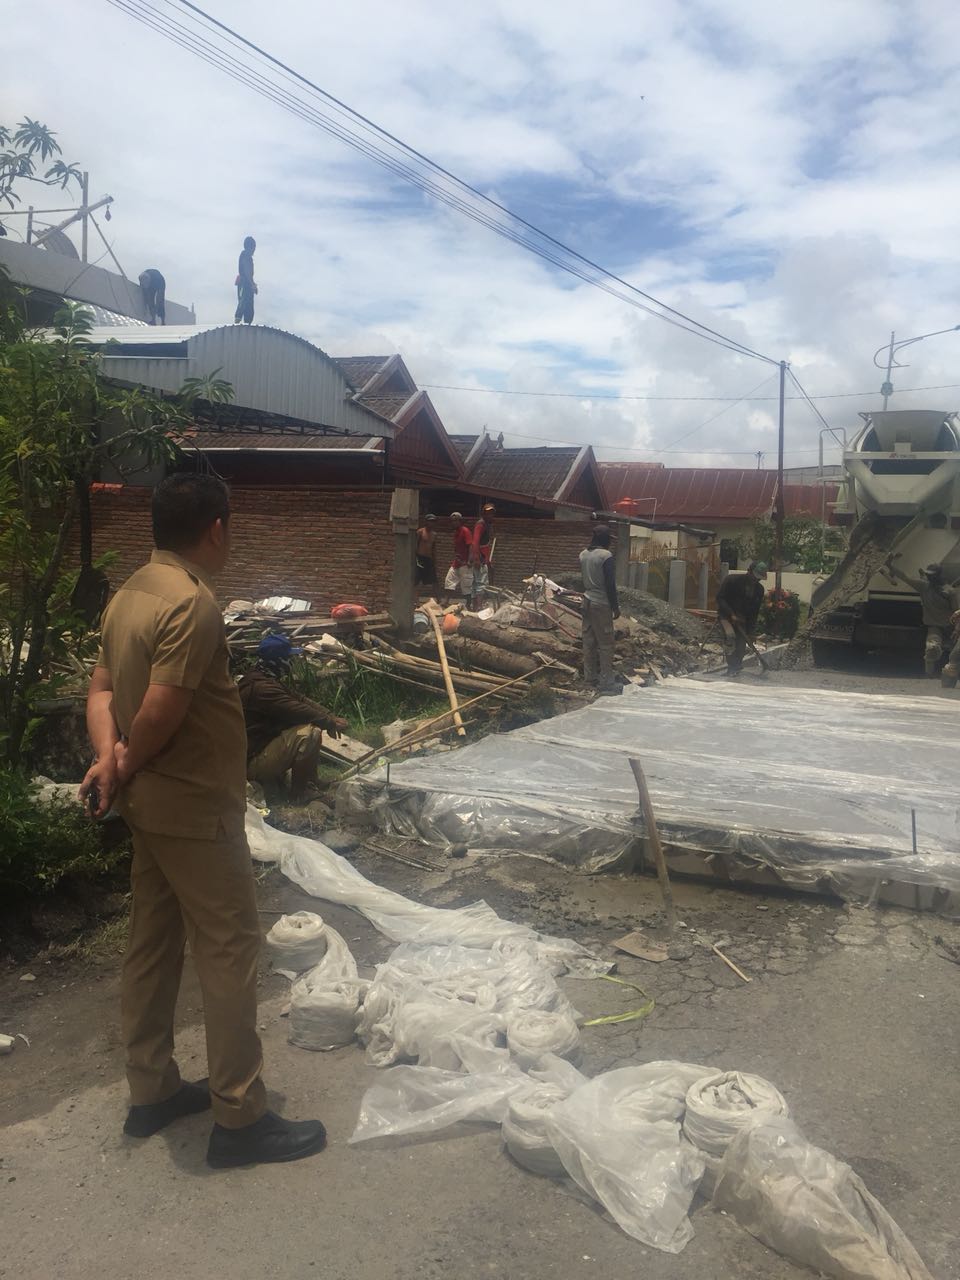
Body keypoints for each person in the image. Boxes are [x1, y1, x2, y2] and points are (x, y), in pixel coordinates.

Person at [79, 474, 326, 1169]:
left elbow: (100, 691)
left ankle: (152, 1088)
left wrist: (107, 761)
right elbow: (162, 709)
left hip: (149, 808)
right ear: (216, 528)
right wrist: (123, 759)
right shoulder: (192, 604)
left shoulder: (131, 592)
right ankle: (240, 1116)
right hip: (191, 805)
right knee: (229, 948)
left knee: (153, 943)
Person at [238, 633, 347, 800]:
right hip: (251, 762)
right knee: (309, 733)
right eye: (288, 658)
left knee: (311, 729)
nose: (291, 662)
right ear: (278, 660)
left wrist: (330, 716)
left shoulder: (261, 678)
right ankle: (299, 793)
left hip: (258, 750)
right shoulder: (262, 689)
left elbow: (299, 699)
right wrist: (328, 722)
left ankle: (311, 781)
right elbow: (297, 710)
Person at [885, 556, 960, 676]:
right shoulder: (933, 588)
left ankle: (939, 674)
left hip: (944, 627)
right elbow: (906, 577)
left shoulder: (940, 590)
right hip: (941, 627)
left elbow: (957, 611)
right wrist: (890, 566)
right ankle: (933, 673)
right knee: (935, 649)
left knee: (944, 650)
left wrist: (957, 628)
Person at [579, 524, 621, 695]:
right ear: (604, 539)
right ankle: (607, 682)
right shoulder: (605, 556)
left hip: (586, 601)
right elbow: (610, 584)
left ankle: (589, 679)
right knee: (605, 644)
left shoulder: (583, 555)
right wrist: (615, 607)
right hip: (601, 603)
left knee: (589, 642)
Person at [716, 561, 767, 676]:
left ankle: (736, 667)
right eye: (755, 577)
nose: (756, 580)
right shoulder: (732, 581)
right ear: (749, 572)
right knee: (730, 636)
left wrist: (751, 631)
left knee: (741, 644)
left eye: (759, 579)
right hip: (726, 616)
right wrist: (731, 614)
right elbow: (720, 598)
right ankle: (731, 667)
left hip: (742, 620)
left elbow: (754, 612)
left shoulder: (759, 590)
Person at [469, 503, 495, 609]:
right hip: (479, 556)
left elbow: (486, 545)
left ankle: (475, 606)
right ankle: (479, 607)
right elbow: (475, 542)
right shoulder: (481, 524)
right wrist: (476, 558)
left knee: (476, 582)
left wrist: (488, 560)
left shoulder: (487, 524)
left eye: (492, 513)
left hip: (483, 556)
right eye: (488, 513)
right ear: (483, 514)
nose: (490, 515)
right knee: (481, 582)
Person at [444, 511, 473, 602]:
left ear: (460, 521)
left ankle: (469, 605)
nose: (454, 523)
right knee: (449, 580)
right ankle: (446, 601)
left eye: (456, 521)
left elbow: (470, 546)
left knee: (466, 585)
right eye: (452, 521)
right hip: (457, 562)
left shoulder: (465, 531)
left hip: (465, 563)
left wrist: (469, 561)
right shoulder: (456, 532)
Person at [234, 236, 257, 324]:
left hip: (247, 283)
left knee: (248, 306)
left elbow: (249, 275)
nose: (254, 250)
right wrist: (252, 284)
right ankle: (238, 321)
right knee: (243, 302)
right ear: (250, 247)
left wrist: (253, 284)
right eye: (253, 247)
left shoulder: (247, 256)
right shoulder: (245, 255)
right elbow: (247, 271)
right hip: (244, 283)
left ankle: (247, 323)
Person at [415, 514, 439, 588]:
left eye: (433, 521)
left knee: (434, 580)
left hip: (429, 559)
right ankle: (416, 599)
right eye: (430, 521)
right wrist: (415, 558)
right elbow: (415, 545)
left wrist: (435, 561)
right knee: (417, 579)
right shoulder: (420, 531)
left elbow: (433, 548)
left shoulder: (434, 534)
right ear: (426, 522)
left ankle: (439, 599)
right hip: (420, 558)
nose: (431, 523)